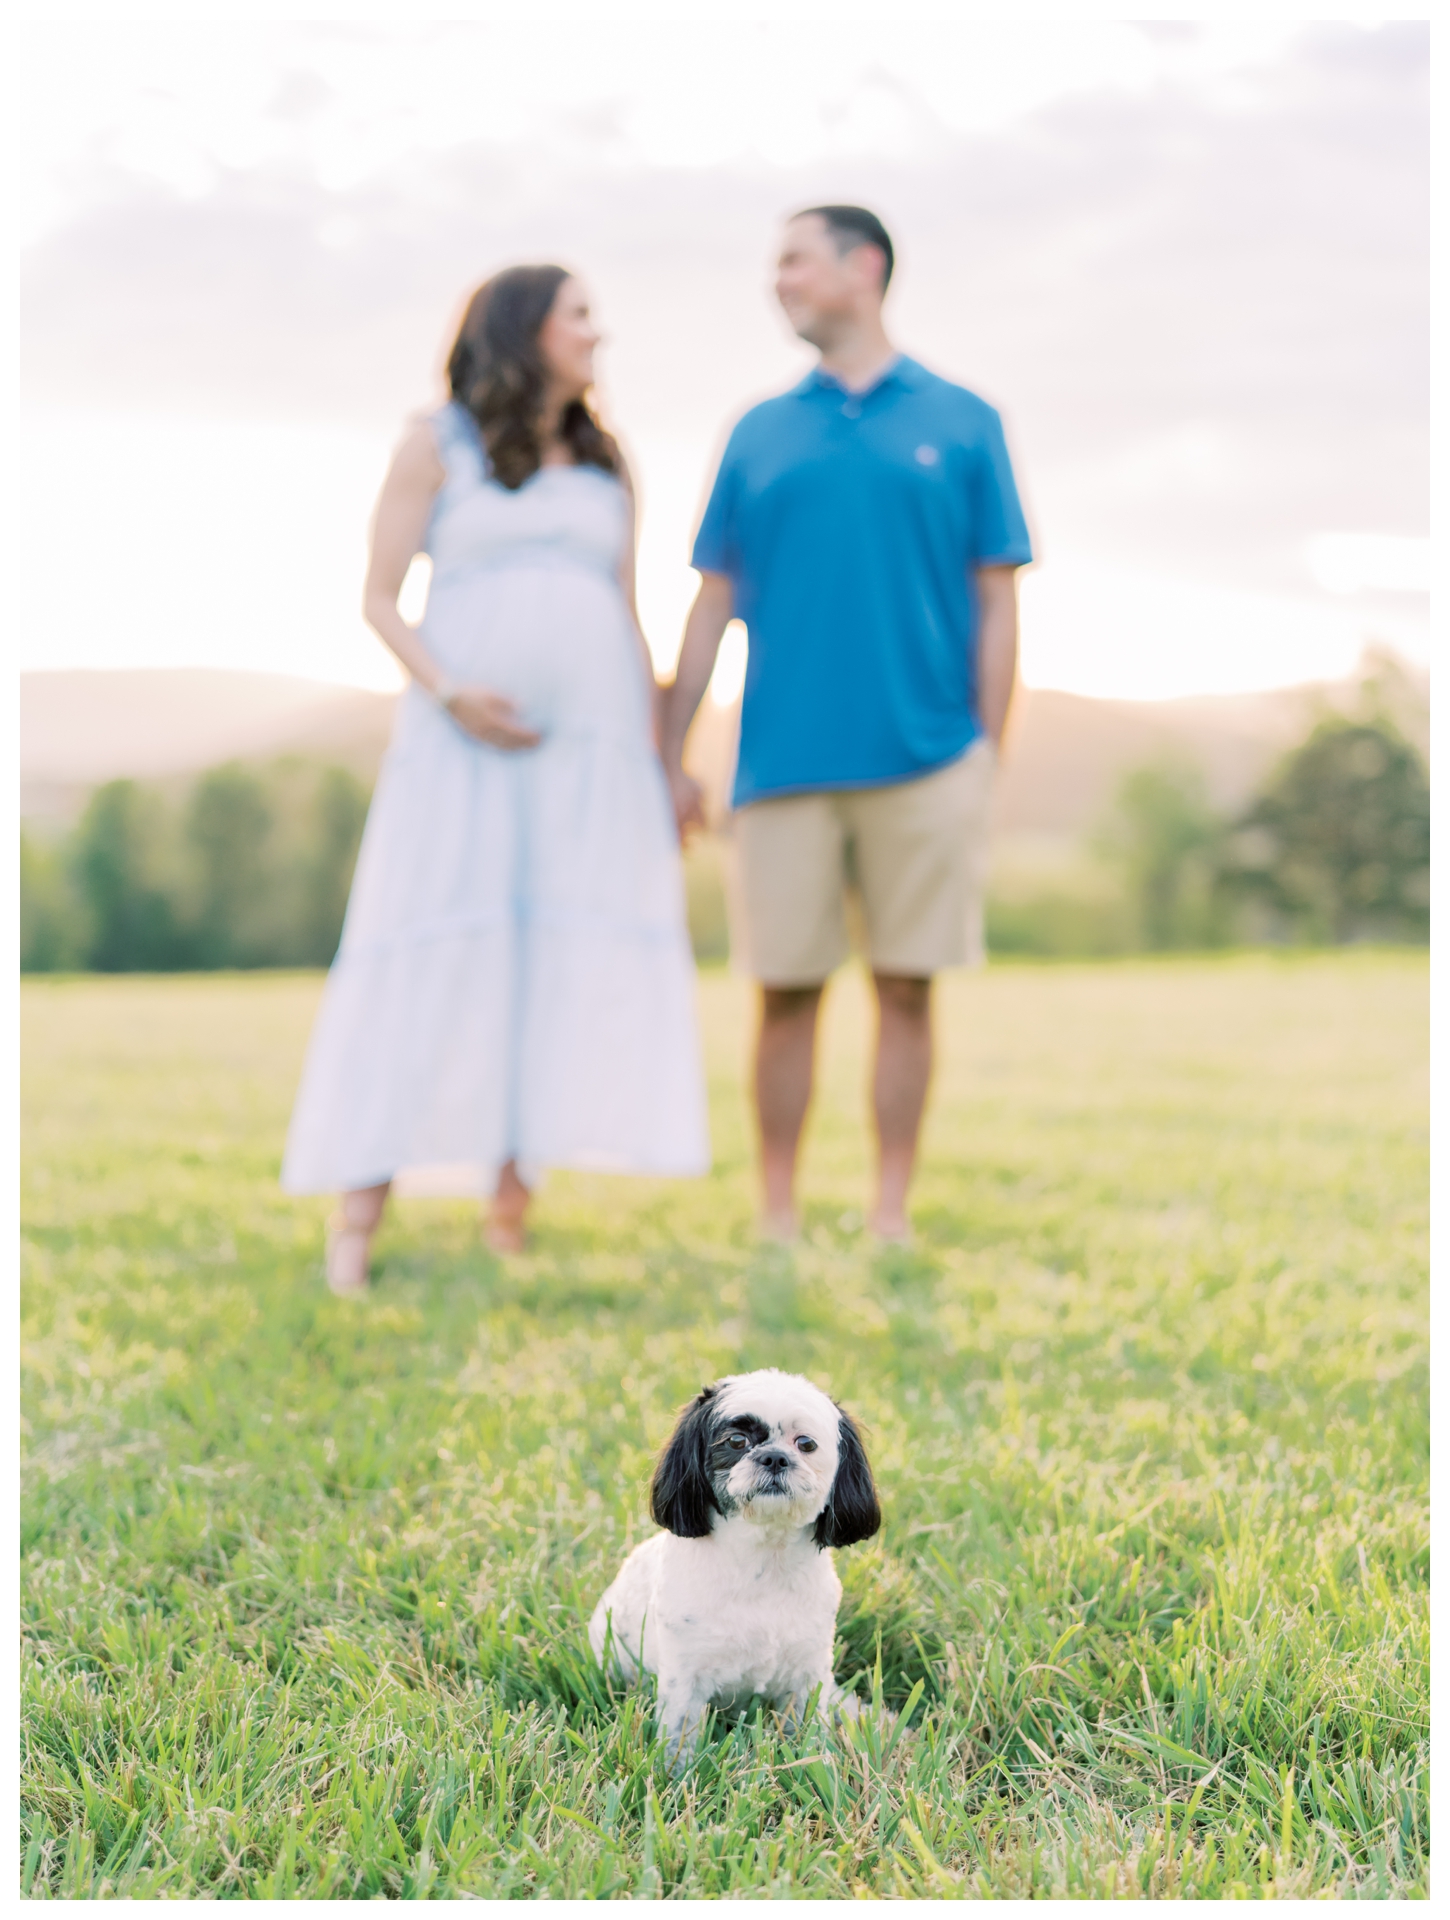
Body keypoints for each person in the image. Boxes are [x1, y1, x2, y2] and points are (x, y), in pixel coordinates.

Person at [283, 266, 709, 1291]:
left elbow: (627, 609)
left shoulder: (611, 461)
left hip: (591, 749)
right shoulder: (436, 443)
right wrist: (450, 690)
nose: (597, 334)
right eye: (578, 316)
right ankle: (358, 1219)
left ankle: (509, 1208)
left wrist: (666, 762)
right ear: (525, 330)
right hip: (461, 741)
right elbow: (380, 600)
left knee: (550, 951)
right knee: (428, 939)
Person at [661, 207, 1031, 1245]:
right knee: (783, 994)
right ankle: (776, 1213)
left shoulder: (964, 421)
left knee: (908, 990)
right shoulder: (756, 429)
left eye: (793, 258)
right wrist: (672, 749)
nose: (776, 279)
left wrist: (983, 751)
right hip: (780, 763)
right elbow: (709, 602)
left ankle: (888, 1213)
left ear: (861, 267)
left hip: (927, 761)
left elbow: (996, 598)